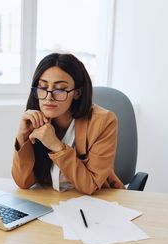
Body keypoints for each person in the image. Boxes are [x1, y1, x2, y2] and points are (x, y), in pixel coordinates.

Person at [11, 53, 124, 195]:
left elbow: (90, 185)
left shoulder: (104, 121)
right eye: (43, 88)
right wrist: (23, 137)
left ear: (77, 93)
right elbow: (23, 182)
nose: (49, 97)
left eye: (60, 89)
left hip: (96, 203)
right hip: (53, 200)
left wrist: (56, 146)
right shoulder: (35, 120)